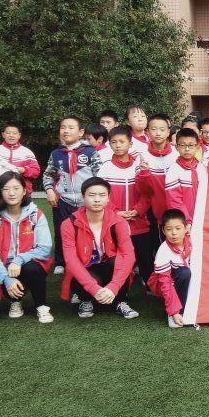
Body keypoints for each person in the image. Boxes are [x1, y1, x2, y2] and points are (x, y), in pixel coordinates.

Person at [0, 171, 53, 323]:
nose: (11, 193)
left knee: (32, 268)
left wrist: (19, 259)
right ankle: (15, 301)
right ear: (0, 192)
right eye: (6, 189)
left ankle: (41, 305)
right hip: (4, 267)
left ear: (24, 191)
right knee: (5, 273)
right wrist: (6, 279)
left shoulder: (36, 215)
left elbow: (44, 249)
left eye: (16, 188)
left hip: (28, 263)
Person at [60, 177, 138, 319]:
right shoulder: (68, 224)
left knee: (118, 262)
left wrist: (114, 286)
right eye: (91, 195)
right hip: (86, 267)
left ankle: (120, 301)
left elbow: (129, 255)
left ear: (108, 198)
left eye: (102, 195)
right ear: (83, 197)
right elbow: (71, 260)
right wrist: (94, 288)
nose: (97, 200)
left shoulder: (118, 221)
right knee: (75, 270)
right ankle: (86, 300)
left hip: (108, 267)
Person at [42, 116, 102, 274]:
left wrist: (95, 196)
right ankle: (60, 261)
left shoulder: (90, 152)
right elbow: (48, 175)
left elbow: (100, 175)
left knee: (86, 232)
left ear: (81, 132)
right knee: (61, 231)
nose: (66, 131)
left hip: (86, 202)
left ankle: (89, 257)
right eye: (63, 127)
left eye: (70, 127)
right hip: (63, 201)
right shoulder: (56, 154)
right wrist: (49, 190)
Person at [98, 127, 153, 284]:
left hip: (138, 221)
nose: (118, 145)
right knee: (116, 257)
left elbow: (147, 193)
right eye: (114, 142)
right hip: (115, 221)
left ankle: (149, 284)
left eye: (122, 142)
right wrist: (116, 213)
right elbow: (101, 195)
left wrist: (137, 210)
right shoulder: (105, 167)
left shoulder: (139, 166)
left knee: (144, 256)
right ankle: (119, 285)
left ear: (130, 144)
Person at [148, 208, 192, 328]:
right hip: (166, 284)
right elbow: (165, 283)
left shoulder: (192, 241)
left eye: (178, 228)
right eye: (169, 229)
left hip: (184, 281)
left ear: (186, 228)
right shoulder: (163, 251)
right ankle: (177, 311)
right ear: (163, 231)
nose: (174, 233)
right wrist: (174, 312)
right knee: (184, 272)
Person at [139, 114, 178, 234]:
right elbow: (143, 190)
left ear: (168, 132)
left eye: (162, 129)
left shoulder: (176, 153)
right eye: (153, 129)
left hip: (177, 209)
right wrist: (144, 172)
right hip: (154, 211)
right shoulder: (142, 155)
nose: (158, 133)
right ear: (147, 132)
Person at [165, 128, 205, 223]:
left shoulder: (203, 167)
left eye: (191, 145)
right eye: (182, 145)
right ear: (176, 147)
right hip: (185, 221)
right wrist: (186, 221)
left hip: (203, 219)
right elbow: (174, 201)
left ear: (197, 146)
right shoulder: (174, 170)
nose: (187, 149)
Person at [0, 122, 41, 192]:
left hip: (23, 192)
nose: (11, 135)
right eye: (8, 133)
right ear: (3, 135)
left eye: (14, 133)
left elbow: (36, 172)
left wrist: (23, 170)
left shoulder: (27, 152)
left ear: (19, 135)